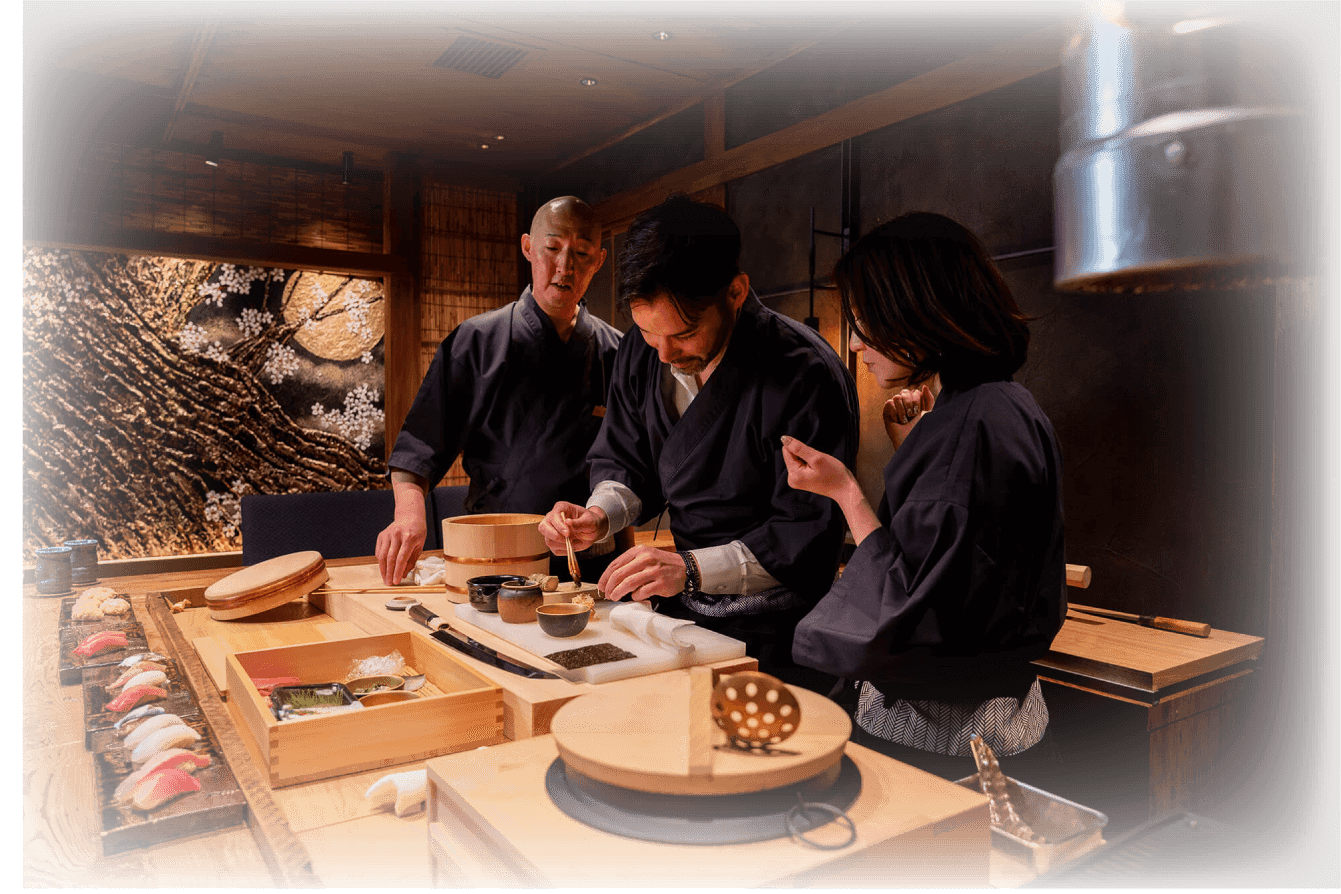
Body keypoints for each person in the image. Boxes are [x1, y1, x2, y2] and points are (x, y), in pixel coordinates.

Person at [780, 212, 1066, 778]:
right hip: (1010, 713)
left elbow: (911, 607)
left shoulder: (970, 427)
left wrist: (844, 492)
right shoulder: (1006, 406)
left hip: (946, 737)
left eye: (866, 323)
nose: (857, 343)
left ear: (918, 309)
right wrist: (912, 446)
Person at [539, 193, 859, 690]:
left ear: (735, 292)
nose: (665, 354)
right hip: (684, 612)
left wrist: (688, 568)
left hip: (777, 629)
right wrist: (599, 515)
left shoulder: (803, 370)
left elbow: (804, 530)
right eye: (648, 332)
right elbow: (625, 459)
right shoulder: (641, 354)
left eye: (685, 333)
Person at [376, 196, 623, 586]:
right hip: (495, 550)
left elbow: (633, 463)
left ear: (598, 261)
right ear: (527, 247)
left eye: (581, 253)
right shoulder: (476, 340)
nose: (565, 267)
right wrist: (408, 517)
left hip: (588, 558)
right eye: (553, 248)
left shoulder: (619, 352)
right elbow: (421, 445)